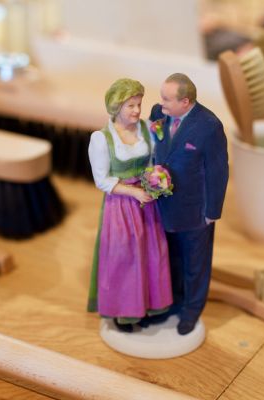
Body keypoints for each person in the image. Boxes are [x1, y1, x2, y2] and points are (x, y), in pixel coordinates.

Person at [87, 78, 172, 332]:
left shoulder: (145, 128)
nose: (136, 110)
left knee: (150, 252)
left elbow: (157, 156)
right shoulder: (101, 139)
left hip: (147, 204)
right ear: (116, 107)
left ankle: (146, 305)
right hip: (122, 207)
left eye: (138, 104)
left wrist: (156, 179)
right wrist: (134, 192)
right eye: (130, 106)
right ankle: (123, 311)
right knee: (123, 256)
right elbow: (102, 181)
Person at [149, 73, 229, 335]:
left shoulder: (209, 126)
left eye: (167, 99)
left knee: (195, 265)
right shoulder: (159, 113)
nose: (160, 103)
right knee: (171, 260)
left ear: (185, 102)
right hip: (164, 208)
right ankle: (172, 303)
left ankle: (191, 310)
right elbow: (157, 148)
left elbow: (218, 171)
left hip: (195, 212)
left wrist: (212, 212)